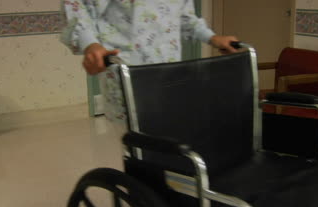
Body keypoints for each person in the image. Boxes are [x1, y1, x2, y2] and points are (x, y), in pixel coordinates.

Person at [61, 0, 238, 122]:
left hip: (169, 72)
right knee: (141, 145)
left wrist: (212, 38)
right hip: (129, 71)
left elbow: (185, 16)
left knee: (168, 138)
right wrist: (90, 44)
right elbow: (79, 5)